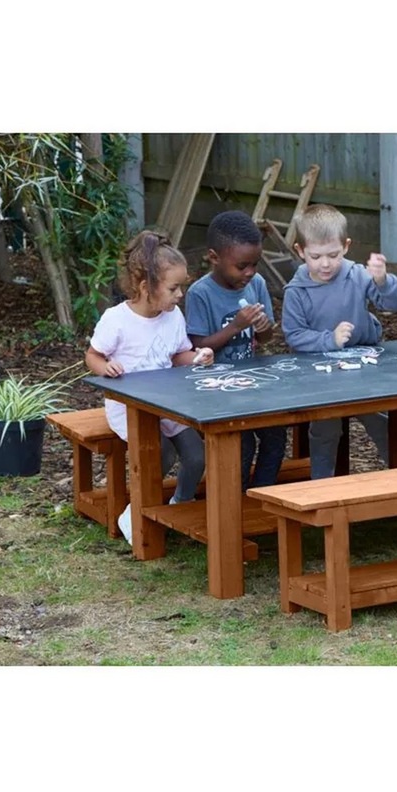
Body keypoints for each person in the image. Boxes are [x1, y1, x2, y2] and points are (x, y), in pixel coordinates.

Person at [85, 231, 214, 544]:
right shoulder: (117, 320)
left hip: (168, 403)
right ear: (145, 287)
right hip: (128, 408)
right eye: (173, 288)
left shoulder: (173, 316)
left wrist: (197, 357)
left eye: (181, 286)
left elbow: (177, 354)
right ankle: (135, 513)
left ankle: (179, 507)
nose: (180, 294)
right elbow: (92, 355)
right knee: (161, 452)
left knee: (197, 455)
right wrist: (106, 368)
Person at [281, 203, 397, 479]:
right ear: (300, 251)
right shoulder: (296, 291)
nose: (325, 264)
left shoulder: (356, 275)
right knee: (325, 429)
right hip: (319, 374)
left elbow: (395, 304)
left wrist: (383, 280)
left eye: (333, 255)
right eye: (315, 256)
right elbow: (294, 335)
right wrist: (330, 339)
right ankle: (321, 490)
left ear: (346, 246)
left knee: (381, 419)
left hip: (364, 367)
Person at [185, 210, 287, 491]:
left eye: (255, 264)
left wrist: (263, 326)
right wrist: (235, 326)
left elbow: (265, 338)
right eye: (242, 266)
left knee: (275, 435)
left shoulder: (257, 285)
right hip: (215, 388)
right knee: (240, 445)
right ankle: (232, 500)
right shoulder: (200, 293)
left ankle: (263, 495)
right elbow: (197, 348)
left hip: (252, 382)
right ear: (214, 257)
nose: (250, 272)